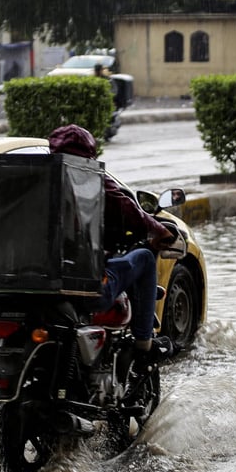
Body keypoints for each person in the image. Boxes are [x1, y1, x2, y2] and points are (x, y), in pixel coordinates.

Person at [48, 124, 175, 363]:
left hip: (22, 287)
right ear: (89, 155)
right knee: (146, 258)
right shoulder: (87, 175)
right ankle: (144, 344)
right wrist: (159, 231)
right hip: (80, 286)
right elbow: (126, 209)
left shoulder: (33, 180)